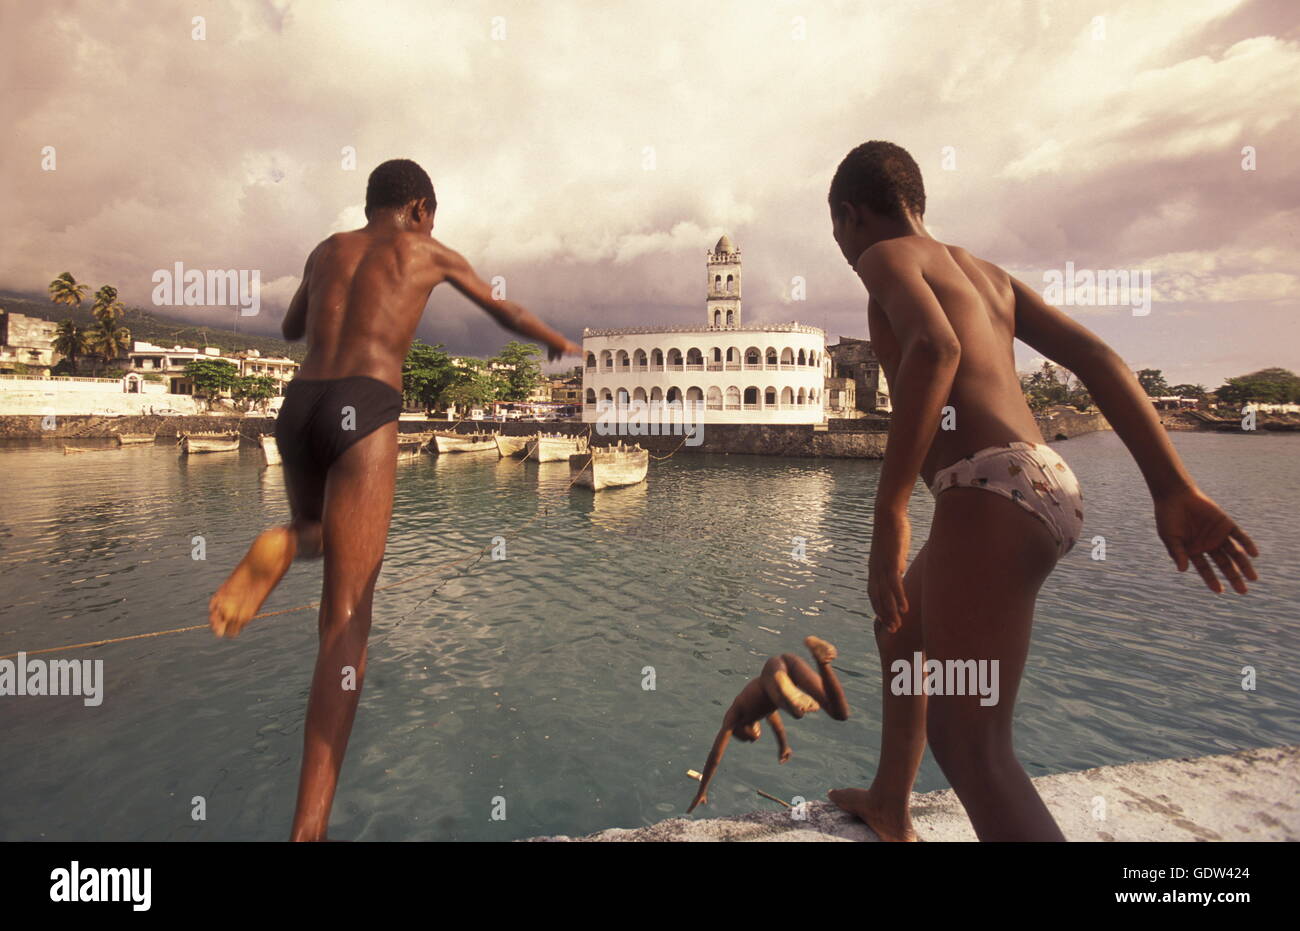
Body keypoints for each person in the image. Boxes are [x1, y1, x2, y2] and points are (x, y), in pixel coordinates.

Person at [823, 141, 1259, 841]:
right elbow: (1098, 357)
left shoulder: (885, 255)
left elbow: (936, 349)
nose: (843, 250)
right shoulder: (986, 275)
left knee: (973, 747)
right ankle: (889, 800)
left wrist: (889, 509)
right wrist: (1171, 486)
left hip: (987, 486)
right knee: (901, 626)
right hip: (1042, 478)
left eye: (838, 232)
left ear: (851, 215)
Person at [207, 158, 582, 841]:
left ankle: (290, 537)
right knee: (348, 622)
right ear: (418, 210)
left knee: (319, 530)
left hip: (299, 405)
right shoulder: (429, 251)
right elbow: (506, 310)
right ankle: (309, 828)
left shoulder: (326, 250)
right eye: (430, 216)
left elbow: (292, 327)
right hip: (365, 403)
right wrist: (557, 340)